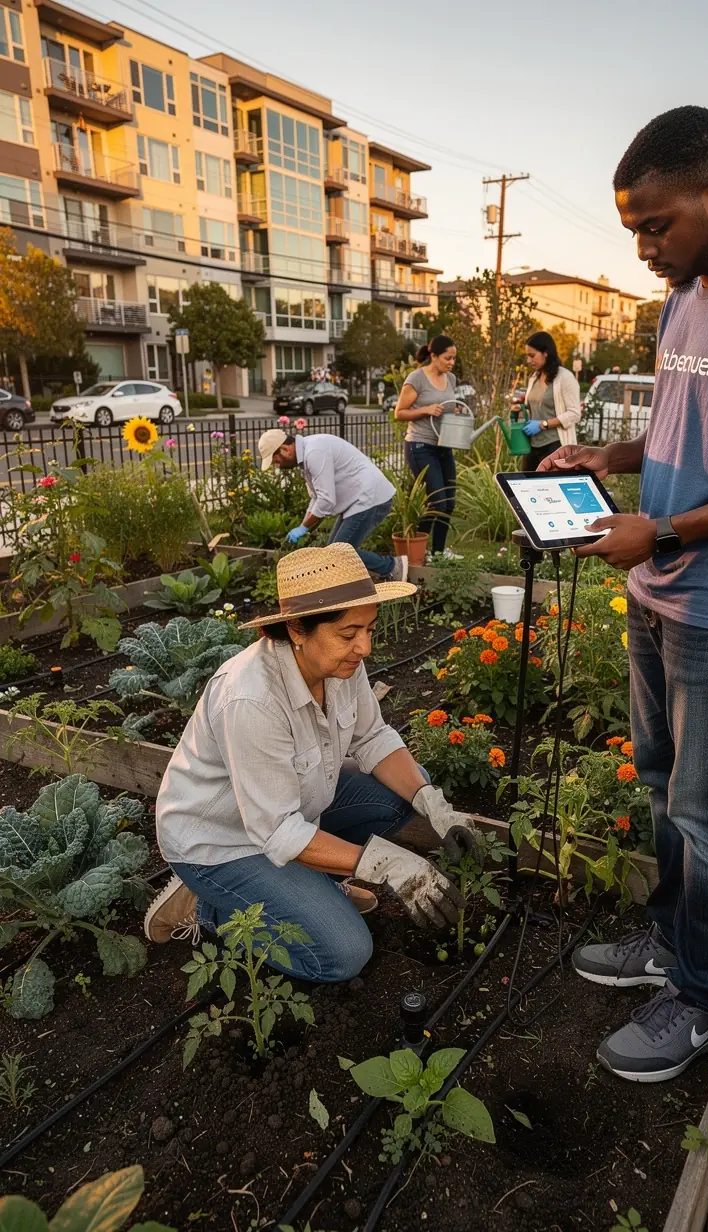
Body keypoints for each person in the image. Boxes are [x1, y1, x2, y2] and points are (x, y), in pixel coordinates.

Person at [539, 105, 708, 1083]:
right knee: (664, 782)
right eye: (632, 231)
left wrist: (658, 530)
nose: (645, 248)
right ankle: (671, 942)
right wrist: (603, 455)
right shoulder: (684, 298)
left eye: (655, 225)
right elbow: (678, 427)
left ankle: (700, 993)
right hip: (659, 589)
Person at [144, 543, 481, 983]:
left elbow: (374, 737)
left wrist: (436, 807)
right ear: (298, 630)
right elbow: (276, 830)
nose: (364, 646)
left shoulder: (340, 665)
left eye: (369, 629)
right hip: (222, 841)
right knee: (344, 954)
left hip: (291, 809)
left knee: (404, 796)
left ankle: (312, 884)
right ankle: (209, 905)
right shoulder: (251, 698)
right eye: (348, 633)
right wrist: (392, 865)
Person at [257, 429, 408, 583]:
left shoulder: (314, 452)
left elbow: (326, 500)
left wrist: (304, 527)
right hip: (357, 500)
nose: (277, 466)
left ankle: (391, 567)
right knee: (333, 553)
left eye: (275, 460)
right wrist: (304, 525)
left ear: (285, 449)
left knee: (338, 554)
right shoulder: (308, 454)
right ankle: (358, 581)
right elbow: (317, 497)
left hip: (370, 498)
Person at [395, 334, 463, 559]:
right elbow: (400, 413)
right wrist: (425, 410)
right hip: (420, 446)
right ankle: (420, 550)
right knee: (437, 501)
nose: (451, 363)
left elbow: (449, 407)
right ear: (433, 356)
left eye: (453, 359)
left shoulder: (451, 379)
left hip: (444, 445)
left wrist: (456, 412)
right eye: (447, 358)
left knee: (449, 502)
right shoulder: (417, 379)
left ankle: (439, 552)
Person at [520, 330, 583, 472]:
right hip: (532, 445)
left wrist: (544, 424)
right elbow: (533, 406)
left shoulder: (564, 377)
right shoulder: (534, 377)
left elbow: (574, 414)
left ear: (546, 353)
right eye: (527, 356)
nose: (529, 360)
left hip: (554, 445)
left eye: (532, 356)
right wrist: (520, 407)